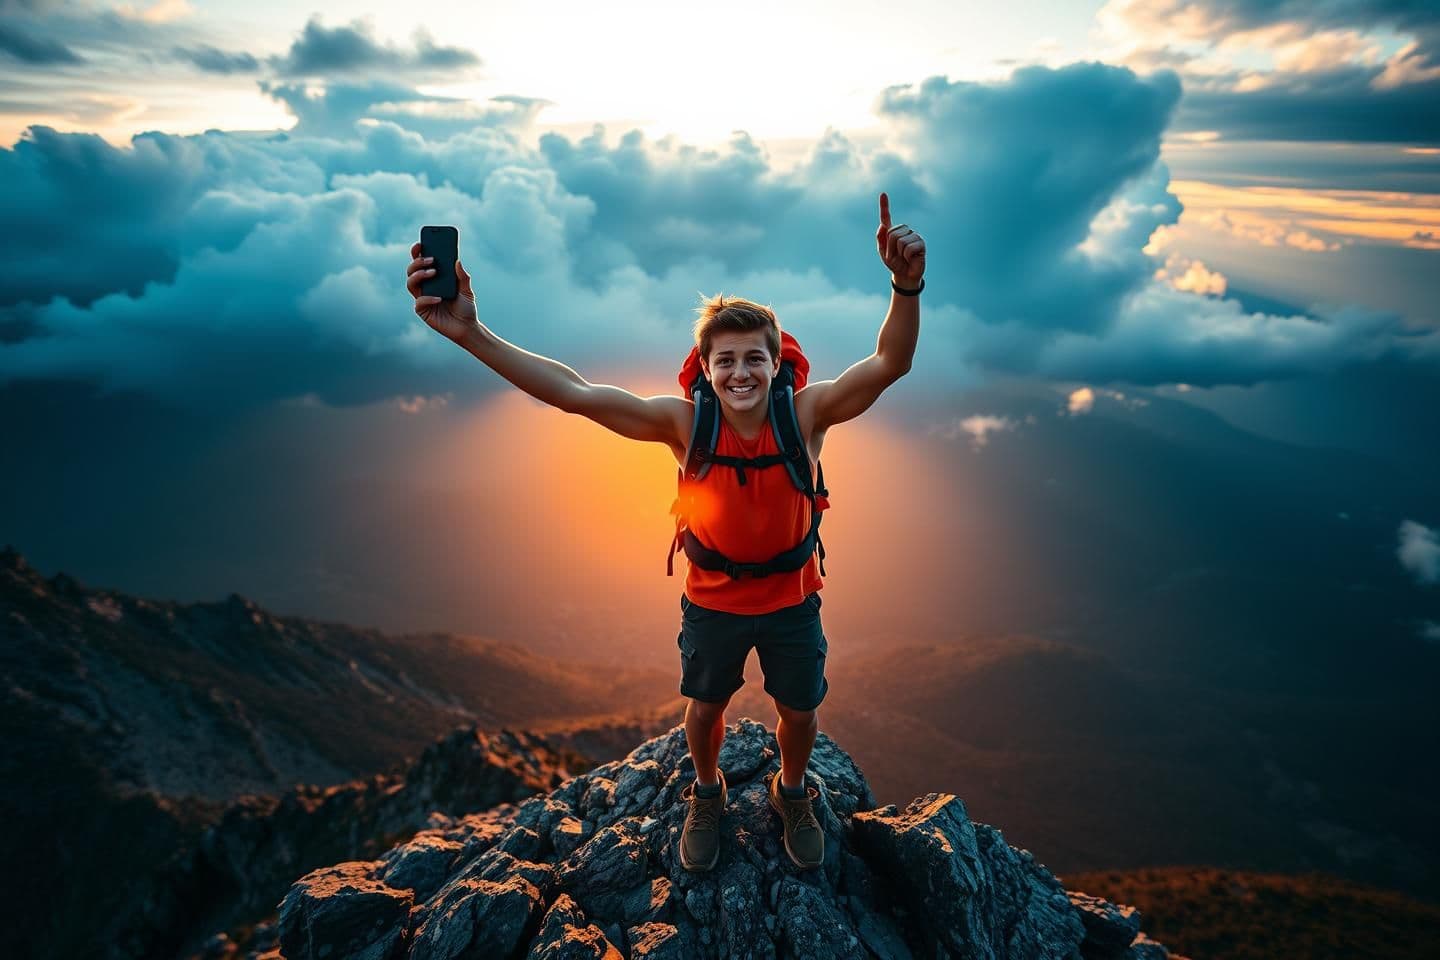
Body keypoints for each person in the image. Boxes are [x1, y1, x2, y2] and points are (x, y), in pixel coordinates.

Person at [405, 192, 925, 872]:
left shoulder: (806, 418)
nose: (740, 372)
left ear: (778, 366)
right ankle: (706, 792)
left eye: (754, 359)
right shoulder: (686, 426)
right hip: (712, 602)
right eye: (725, 360)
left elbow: (889, 363)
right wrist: (471, 334)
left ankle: (792, 790)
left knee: (800, 713)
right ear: (706, 371)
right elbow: (573, 393)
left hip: (793, 600)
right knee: (704, 709)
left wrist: (905, 287)